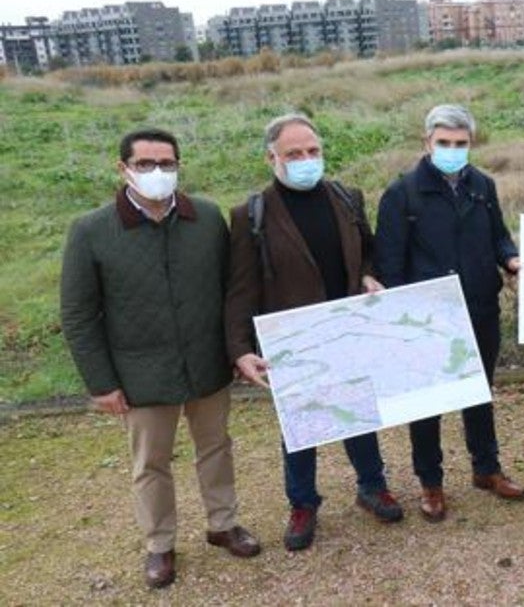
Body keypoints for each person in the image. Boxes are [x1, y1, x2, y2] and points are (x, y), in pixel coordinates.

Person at [60, 128, 260, 588]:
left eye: (167, 164)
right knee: (150, 462)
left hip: (207, 362)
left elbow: (232, 292)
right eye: (146, 164)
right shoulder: (92, 230)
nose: (158, 173)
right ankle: (160, 545)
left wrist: (238, 349)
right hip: (140, 374)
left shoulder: (207, 218)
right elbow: (78, 314)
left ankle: (223, 523)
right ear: (124, 168)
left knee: (216, 447)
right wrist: (101, 382)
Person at [225, 113, 404, 552]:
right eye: (294, 154)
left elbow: (368, 253)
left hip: (345, 329)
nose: (306, 160)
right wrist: (239, 348)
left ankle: (371, 486)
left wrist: (367, 275)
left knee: (358, 411)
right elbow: (241, 288)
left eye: (313, 152)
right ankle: (303, 503)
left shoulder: (346, 198)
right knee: (299, 427)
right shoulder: (251, 215)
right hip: (293, 338)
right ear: (272, 158)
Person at [374, 105, 524, 522]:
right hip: (428, 317)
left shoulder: (483, 186)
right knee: (428, 403)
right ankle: (431, 482)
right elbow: (389, 263)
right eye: (444, 143)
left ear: (471, 144)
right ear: (427, 143)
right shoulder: (402, 193)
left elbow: (499, 238)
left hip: (479, 306)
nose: (452, 150)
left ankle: (487, 468)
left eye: (461, 144)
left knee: (479, 392)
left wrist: (512, 260)